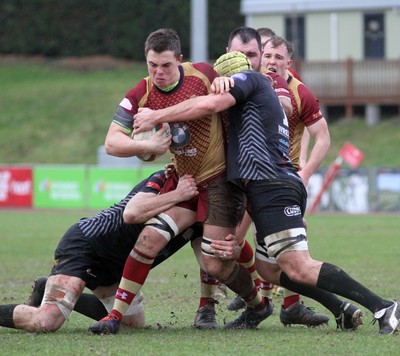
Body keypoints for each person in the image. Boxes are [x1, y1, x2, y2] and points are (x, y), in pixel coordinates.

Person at [131, 51, 400, 335]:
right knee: (269, 270)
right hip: (263, 190)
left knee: (299, 266)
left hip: (274, 186)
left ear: (229, 77)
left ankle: (383, 306)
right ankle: (342, 310)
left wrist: (156, 115)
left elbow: (209, 103)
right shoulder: (252, 96)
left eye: (219, 80)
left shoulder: (251, 79)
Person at [88, 28, 271, 335]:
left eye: (166, 65)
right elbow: (112, 143)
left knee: (215, 263)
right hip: (183, 180)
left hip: (220, 182)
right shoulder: (141, 92)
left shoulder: (202, 75)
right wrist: (147, 146)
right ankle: (115, 317)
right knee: (148, 239)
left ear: (180, 61)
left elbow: (238, 85)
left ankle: (257, 304)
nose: (158, 72)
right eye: (152, 65)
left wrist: (226, 79)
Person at [0, 170, 209, 333]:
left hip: (117, 267)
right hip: (87, 245)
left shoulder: (206, 213)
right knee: (47, 320)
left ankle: (49, 287)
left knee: (133, 325)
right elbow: (132, 212)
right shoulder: (168, 179)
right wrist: (178, 194)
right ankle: (55, 296)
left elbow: (208, 262)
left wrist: (228, 253)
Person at [218, 26, 330, 328]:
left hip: (280, 181)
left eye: (276, 56)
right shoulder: (248, 81)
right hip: (252, 175)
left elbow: (320, 137)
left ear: (287, 62)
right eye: (265, 54)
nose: (270, 60)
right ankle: (262, 296)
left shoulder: (295, 91)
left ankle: (274, 301)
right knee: (239, 242)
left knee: (279, 250)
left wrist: (304, 171)